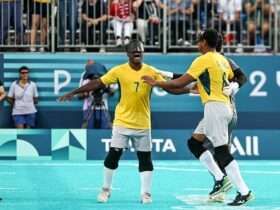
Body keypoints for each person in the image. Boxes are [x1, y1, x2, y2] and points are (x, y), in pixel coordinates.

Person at [59, 39, 190, 203]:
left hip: (143, 123)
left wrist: (189, 90)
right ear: (128, 54)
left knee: (145, 159)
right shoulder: (119, 71)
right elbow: (97, 83)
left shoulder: (151, 71)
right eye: (134, 52)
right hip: (122, 122)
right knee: (113, 156)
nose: (137, 54)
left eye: (140, 52)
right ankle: (105, 190)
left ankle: (146, 194)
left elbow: (170, 88)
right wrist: (74, 92)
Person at [142, 29, 254, 206]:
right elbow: (190, 81)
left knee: (222, 153)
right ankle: (220, 178)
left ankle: (244, 191)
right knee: (194, 143)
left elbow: (181, 82)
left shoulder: (203, 60)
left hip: (215, 108)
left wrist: (157, 82)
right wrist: (165, 76)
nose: (197, 44)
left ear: (204, 42)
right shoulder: (222, 60)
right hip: (222, 107)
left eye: (199, 41)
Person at [78, 60, 113, 129]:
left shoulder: (104, 75)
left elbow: (112, 92)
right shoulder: (84, 76)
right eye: (87, 67)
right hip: (88, 108)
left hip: (103, 107)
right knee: (88, 129)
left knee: (105, 129)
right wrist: (87, 92)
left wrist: (106, 89)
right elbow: (80, 95)